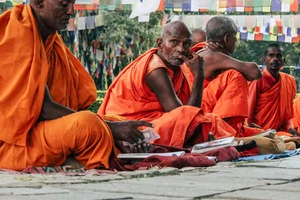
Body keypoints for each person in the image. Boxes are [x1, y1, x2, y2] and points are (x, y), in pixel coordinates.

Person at [0, 0, 152, 171]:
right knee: (92, 126)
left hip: (42, 132)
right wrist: (110, 129)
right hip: (8, 144)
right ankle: (84, 156)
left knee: (111, 122)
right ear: (40, 1)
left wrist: (112, 126)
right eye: (65, 4)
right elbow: (43, 108)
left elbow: (68, 107)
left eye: (73, 4)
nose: (71, 11)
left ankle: (82, 155)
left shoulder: (50, 41)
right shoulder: (15, 34)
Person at [98, 21, 236, 148]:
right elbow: (186, 116)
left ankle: (232, 140)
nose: (181, 49)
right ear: (160, 44)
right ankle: (228, 142)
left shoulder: (176, 68)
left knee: (212, 119)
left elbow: (188, 114)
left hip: (156, 120)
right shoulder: (155, 69)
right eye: (174, 42)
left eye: (187, 44)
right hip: (131, 127)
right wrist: (199, 75)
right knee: (199, 122)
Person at [187, 16, 262, 136]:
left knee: (266, 134)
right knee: (235, 75)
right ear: (227, 38)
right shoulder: (211, 55)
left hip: (199, 108)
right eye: (235, 38)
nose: (236, 42)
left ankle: (233, 129)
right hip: (199, 112)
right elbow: (255, 72)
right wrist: (226, 55)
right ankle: (227, 131)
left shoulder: (206, 53)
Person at [247, 43, 298, 134]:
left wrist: (290, 128)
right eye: (271, 55)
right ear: (264, 60)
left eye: (278, 56)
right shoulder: (258, 79)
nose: (275, 59)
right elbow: (247, 111)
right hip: (260, 131)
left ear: (283, 60)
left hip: (279, 131)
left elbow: (286, 116)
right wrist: (249, 128)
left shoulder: (289, 81)